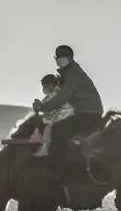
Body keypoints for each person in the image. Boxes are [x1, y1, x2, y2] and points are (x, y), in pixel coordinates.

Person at [32, 45, 103, 174]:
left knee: (58, 130)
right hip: (88, 112)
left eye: (61, 56)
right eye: (57, 56)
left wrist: (43, 107)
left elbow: (62, 98)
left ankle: (59, 172)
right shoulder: (70, 72)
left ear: (69, 57)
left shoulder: (72, 74)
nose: (58, 59)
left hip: (88, 113)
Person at [33, 73, 74, 158]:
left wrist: (41, 108)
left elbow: (52, 108)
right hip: (58, 117)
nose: (43, 89)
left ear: (50, 85)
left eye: (44, 86)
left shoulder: (57, 93)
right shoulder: (49, 96)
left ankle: (45, 148)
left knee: (48, 129)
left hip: (64, 117)